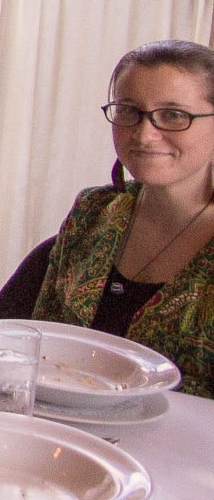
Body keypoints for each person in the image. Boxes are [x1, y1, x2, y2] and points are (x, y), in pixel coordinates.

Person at [31, 40, 214, 397]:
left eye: (174, 115)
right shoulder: (92, 213)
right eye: (129, 110)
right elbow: (37, 346)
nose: (145, 134)